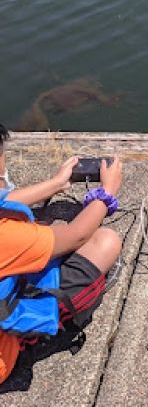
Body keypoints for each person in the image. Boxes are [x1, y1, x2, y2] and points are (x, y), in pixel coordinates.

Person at [0, 125, 123, 385]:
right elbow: (77, 235)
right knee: (106, 242)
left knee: (49, 231)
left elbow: (5, 199)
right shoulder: (4, 236)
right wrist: (107, 193)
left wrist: (55, 184)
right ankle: (28, 339)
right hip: (4, 355)